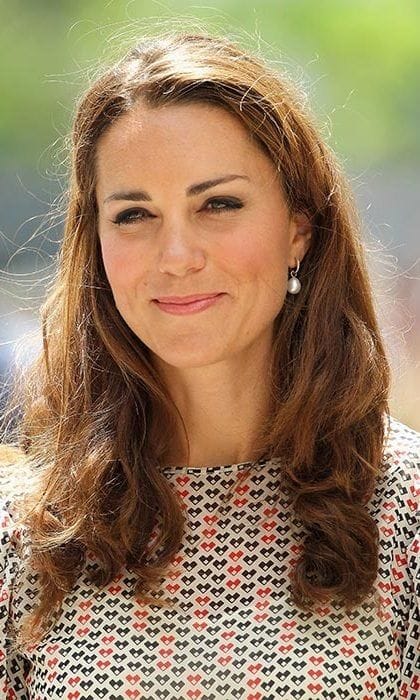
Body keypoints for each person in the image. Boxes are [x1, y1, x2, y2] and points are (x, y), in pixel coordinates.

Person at [0, 31, 418, 700]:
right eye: (134, 213)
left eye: (218, 204)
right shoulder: (31, 536)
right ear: (98, 246)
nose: (176, 254)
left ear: (299, 230)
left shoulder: (406, 514)